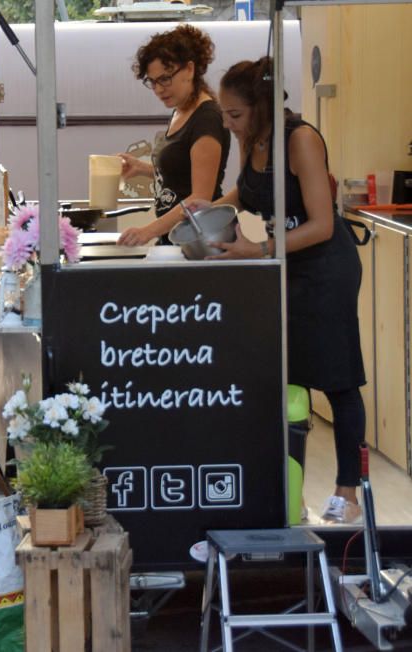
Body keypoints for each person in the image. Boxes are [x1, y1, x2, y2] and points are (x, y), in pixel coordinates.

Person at [198, 57, 366, 524]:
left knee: (338, 380)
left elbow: (321, 225)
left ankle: (347, 491)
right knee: (288, 380)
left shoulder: (301, 140)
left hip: (326, 270)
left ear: (262, 107)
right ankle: (289, 486)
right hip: (286, 269)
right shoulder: (254, 143)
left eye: (234, 115)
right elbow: (245, 194)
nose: (227, 124)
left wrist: (260, 249)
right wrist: (205, 210)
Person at [116, 24, 230, 247]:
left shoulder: (206, 119)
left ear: (189, 69)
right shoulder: (180, 112)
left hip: (201, 242)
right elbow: (182, 174)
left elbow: (200, 197)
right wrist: (142, 168)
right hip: (177, 238)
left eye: (165, 79)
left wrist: (147, 231)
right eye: (152, 81)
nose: (158, 89)